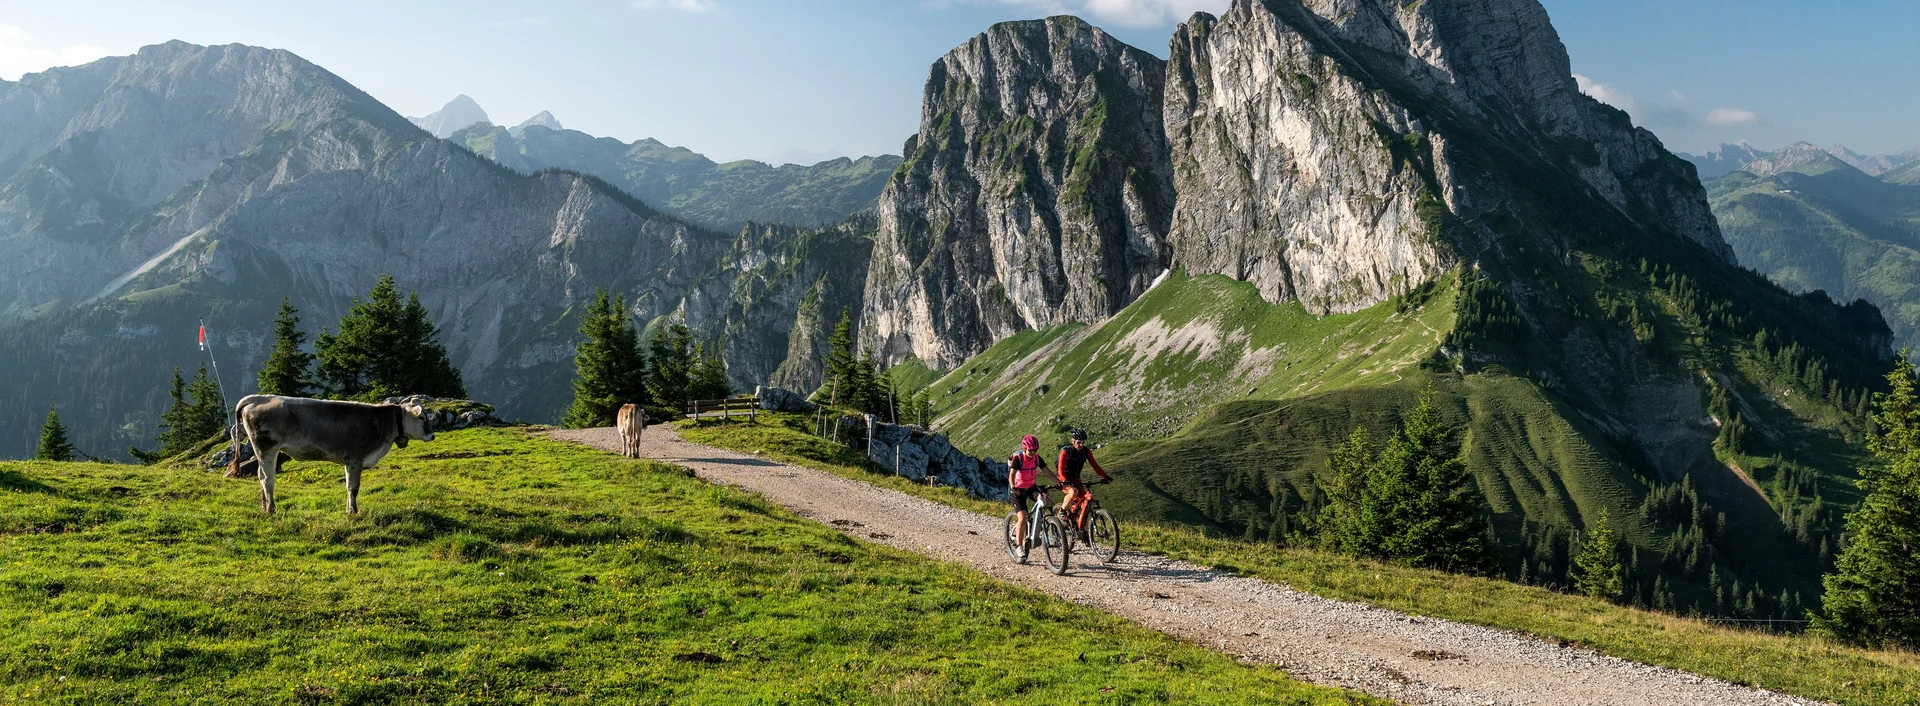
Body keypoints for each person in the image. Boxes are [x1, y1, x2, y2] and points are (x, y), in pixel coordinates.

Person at [1056, 428, 1110, 530]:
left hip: (1076, 479)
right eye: (1078, 442)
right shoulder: (1065, 451)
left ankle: (1082, 530)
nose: (1081, 445)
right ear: (1073, 441)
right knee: (1073, 492)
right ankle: (1062, 511)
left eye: (1083, 442)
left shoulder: (1086, 451)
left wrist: (1105, 476)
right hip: (1063, 478)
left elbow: (1095, 465)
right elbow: (1060, 469)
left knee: (1085, 499)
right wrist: (1064, 481)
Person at [1006, 434, 1049, 559]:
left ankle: (1037, 529)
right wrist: (1013, 488)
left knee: (1043, 499)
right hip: (1017, 490)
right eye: (1030, 450)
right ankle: (1019, 546)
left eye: (1035, 450)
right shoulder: (1018, 458)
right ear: (1024, 449)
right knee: (1022, 517)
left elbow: (1047, 471)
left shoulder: (1036, 458)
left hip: (1030, 487)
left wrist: (1059, 483)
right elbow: (1012, 475)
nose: (1033, 452)